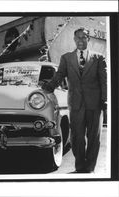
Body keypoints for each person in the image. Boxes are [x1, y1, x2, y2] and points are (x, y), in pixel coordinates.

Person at [42, 27, 107, 173]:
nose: (80, 40)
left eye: (84, 37)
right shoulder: (66, 58)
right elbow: (59, 76)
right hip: (76, 103)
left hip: (94, 104)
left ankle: (89, 168)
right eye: (78, 37)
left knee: (94, 137)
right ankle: (80, 165)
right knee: (77, 137)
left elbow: (104, 81)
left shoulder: (98, 58)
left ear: (88, 39)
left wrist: (105, 100)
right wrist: (48, 87)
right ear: (74, 40)